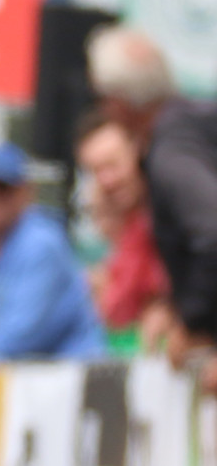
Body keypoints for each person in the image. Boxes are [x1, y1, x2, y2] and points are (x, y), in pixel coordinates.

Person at [87, 26, 217, 391]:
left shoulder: (173, 151)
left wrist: (195, 323)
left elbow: (212, 234)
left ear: (119, 102)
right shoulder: (197, 124)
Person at [0, 143, 106, 376]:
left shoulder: (42, 243)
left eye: (1, 188)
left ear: (26, 191)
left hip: (69, 378)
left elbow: (22, 338)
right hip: (10, 383)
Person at [73, 110, 169, 351]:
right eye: (96, 171)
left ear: (137, 151)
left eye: (112, 165)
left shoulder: (172, 212)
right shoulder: (122, 230)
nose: (107, 181)